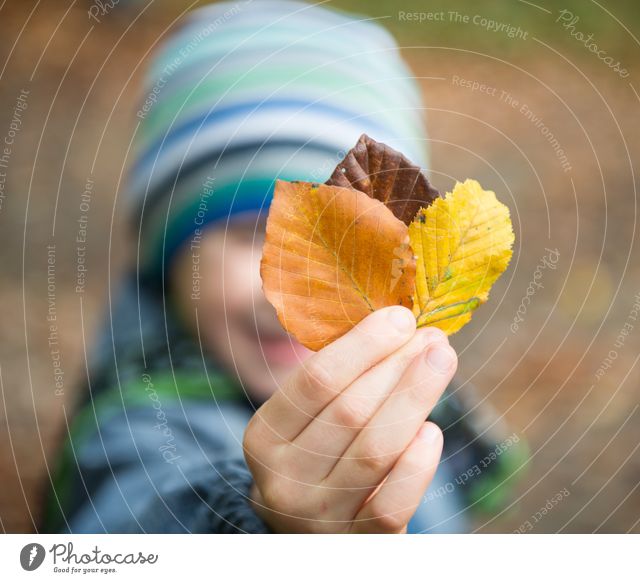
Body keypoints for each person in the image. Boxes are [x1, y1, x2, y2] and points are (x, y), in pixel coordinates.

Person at [45, 0, 523, 533]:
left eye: (350, 244)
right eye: (258, 233)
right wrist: (265, 533)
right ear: (171, 255)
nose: (295, 286)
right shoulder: (141, 431)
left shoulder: (421, 394)